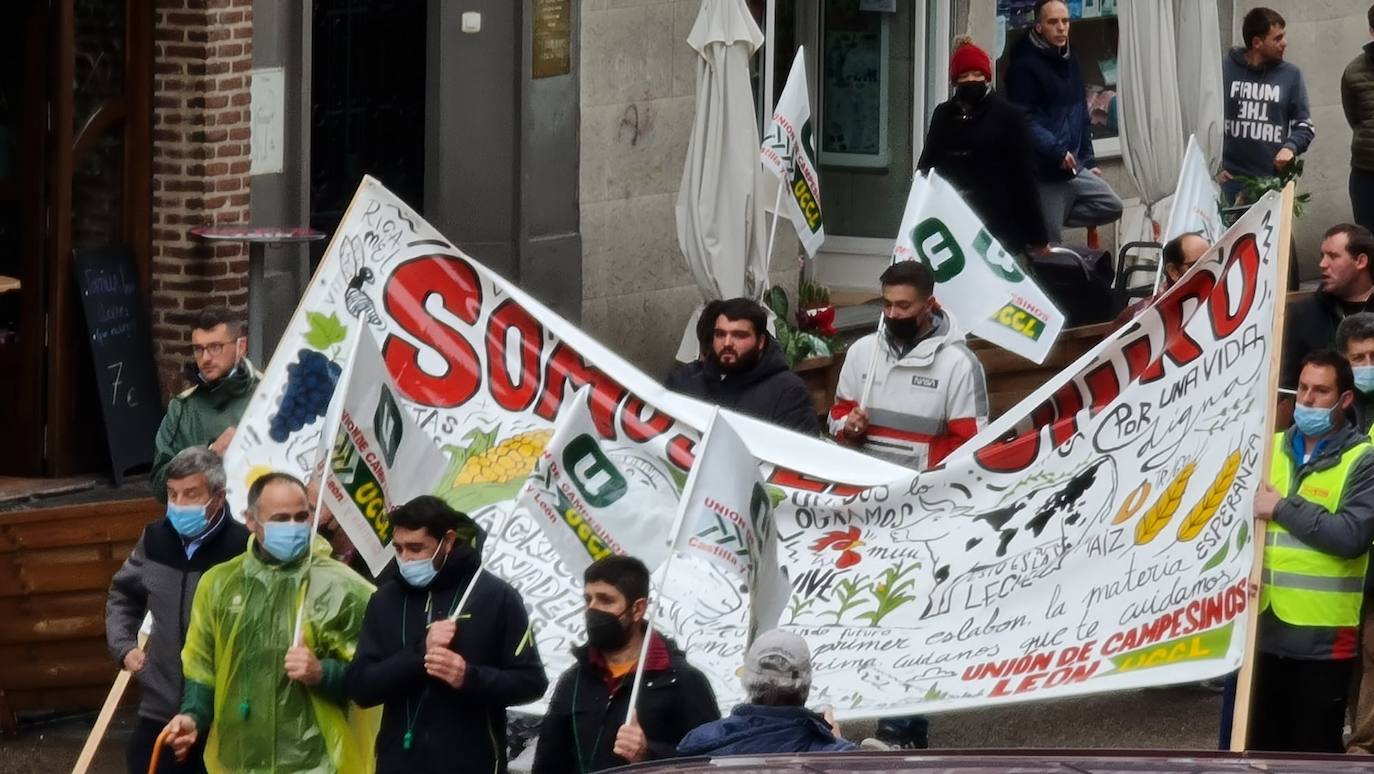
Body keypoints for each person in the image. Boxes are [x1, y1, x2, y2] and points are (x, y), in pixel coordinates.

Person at [161, 472, 377, 772]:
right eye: (280, 518)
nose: (293, 527)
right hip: (241, 757)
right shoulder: (220, 585)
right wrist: (192, 715)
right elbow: (202, 666)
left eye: (301, 516)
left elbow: (376, 677)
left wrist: (322, 673)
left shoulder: (344, 589)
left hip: (318, 761)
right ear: (250, 520)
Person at [347, 495, 547, 773]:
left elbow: (532, 682)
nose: (405, 559)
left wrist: (468, 676)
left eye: (416, 548)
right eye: (399, 548)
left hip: (473, 763)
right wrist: (419, 653)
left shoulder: (496, 596)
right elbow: (361, 688)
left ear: (448, 541)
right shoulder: (385, 599)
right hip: (398, 762)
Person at [1249, 350, 1374, 753]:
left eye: (1321, 391)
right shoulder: (1265, 449)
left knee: (1312, 754)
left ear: (1345, 400)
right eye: (1303, 388)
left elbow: (1351, 535)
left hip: (1322, 639)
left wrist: (1283, 507)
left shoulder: (1363, 460)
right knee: (1257, 751)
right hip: (1260, 630)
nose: (1307, 399)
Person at [104, 447, 249, 774]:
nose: (179, 504)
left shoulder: (242, 548)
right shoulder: (155, 539)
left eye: (191, 494)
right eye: (172, 494)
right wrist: (123, 647)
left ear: (218, 497)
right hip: (158, 706)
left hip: (222, 716)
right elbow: (123, 594)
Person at [532, 555, 719, 772]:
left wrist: (649, 754)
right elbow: (548, 761)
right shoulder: (574, 680)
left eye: (605, 600)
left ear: (637, 609)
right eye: (588, 599)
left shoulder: (683, 681)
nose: (593, 609)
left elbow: (712, 761)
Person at [828, 260, 989, 472]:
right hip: (864, 483)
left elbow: (970, 443)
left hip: (923, 492)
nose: (893, 314)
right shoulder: (862, 351)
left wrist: (926, 477)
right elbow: (837, 415)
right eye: (887, 304)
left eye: (903, 306)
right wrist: (847, 427)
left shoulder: (959, 364)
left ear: (929, 305)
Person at [1005, 0, 1123, 244]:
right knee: (1050, 248)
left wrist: (1089, 161)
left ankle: (1043, 217)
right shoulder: (1024, 68)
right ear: (1038, 27)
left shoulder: (1072, 59)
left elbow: (1080, 114)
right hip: (1046, 171)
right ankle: (1041, 220)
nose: (1061, 28)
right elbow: (1025, 119)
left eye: (1065, 21)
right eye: (1053, 22)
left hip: (1073, 167)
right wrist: (1056, 150)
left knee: (1112, 205)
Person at [918, 36, 1047, 257]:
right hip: (952, 223)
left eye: (977, 75)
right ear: (955, 81)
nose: (971, 80)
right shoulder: (943, 114)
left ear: (987, 78)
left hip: (999, 228)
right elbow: (927, 167)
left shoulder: (1008, 116)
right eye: (964, 75)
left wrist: (1038, 237)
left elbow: (1024, 179)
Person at [676, 629, 853, 756]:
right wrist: (834, 745)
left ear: (747, 681)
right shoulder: (836, 754)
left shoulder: (698, 741)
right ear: (806, 684)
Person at [150, 306, 261, 500]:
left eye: (215, 347)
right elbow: (160, 486)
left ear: (241, 347)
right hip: (199, 522)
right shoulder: (182, 409)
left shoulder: (269, 398)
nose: (206, 358)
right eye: (198, 349)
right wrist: (209, 454)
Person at [665, 297, 819, 435]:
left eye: (738, 335)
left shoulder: (788, 393)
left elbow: (799, 457)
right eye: (720, 334)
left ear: (761, 342)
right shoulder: (684, 380)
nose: (727, 343)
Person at [1221, 7, 1314, 203]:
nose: (1285, 43)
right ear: (1257, 42)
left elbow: (1305, 127)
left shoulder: (1291, 75)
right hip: (1229, 183)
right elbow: (1204, 122)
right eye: (1277, 39)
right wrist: (1214, 168)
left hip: (1270, 184)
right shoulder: (1225, 69)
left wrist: (1291, 147)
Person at [1280, 224, 1374, 391]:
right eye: (1322, 256)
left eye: (1333, 256)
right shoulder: (1301, 315)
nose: (1323, 264)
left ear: (1361, 261)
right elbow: (1286, 385)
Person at [1113, 233, 1210, 326]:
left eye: (1215, 259)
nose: (1210, 268)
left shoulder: (1219, 304)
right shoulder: (1136, 319)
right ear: (1173, 271)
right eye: (1198, 265)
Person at [1341, 6, 1374, 232]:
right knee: (1369, 239)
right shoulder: (1353, 71)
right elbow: (1353, 118)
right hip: (1367, 173)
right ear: (1372, 30)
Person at [1339, 312, 1374, 435]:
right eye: (1358, 358)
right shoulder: (1333, 407)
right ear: (1344, 360)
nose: (1368, 364)